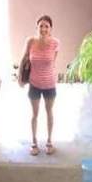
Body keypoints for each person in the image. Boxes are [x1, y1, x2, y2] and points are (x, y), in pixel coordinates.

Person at [19, 15, 60, 155]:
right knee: (34, 114)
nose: (43, 29)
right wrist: (20, 78)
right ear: (37, 27)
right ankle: (34, 142)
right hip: (34, 84)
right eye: (41, 26)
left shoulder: (55, 43)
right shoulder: (30, 41)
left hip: (50, 84)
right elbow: (23, 59)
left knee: (49, 112)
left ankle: (49, 141)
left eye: (46, 26)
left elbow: (53, 62)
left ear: (50, 29)